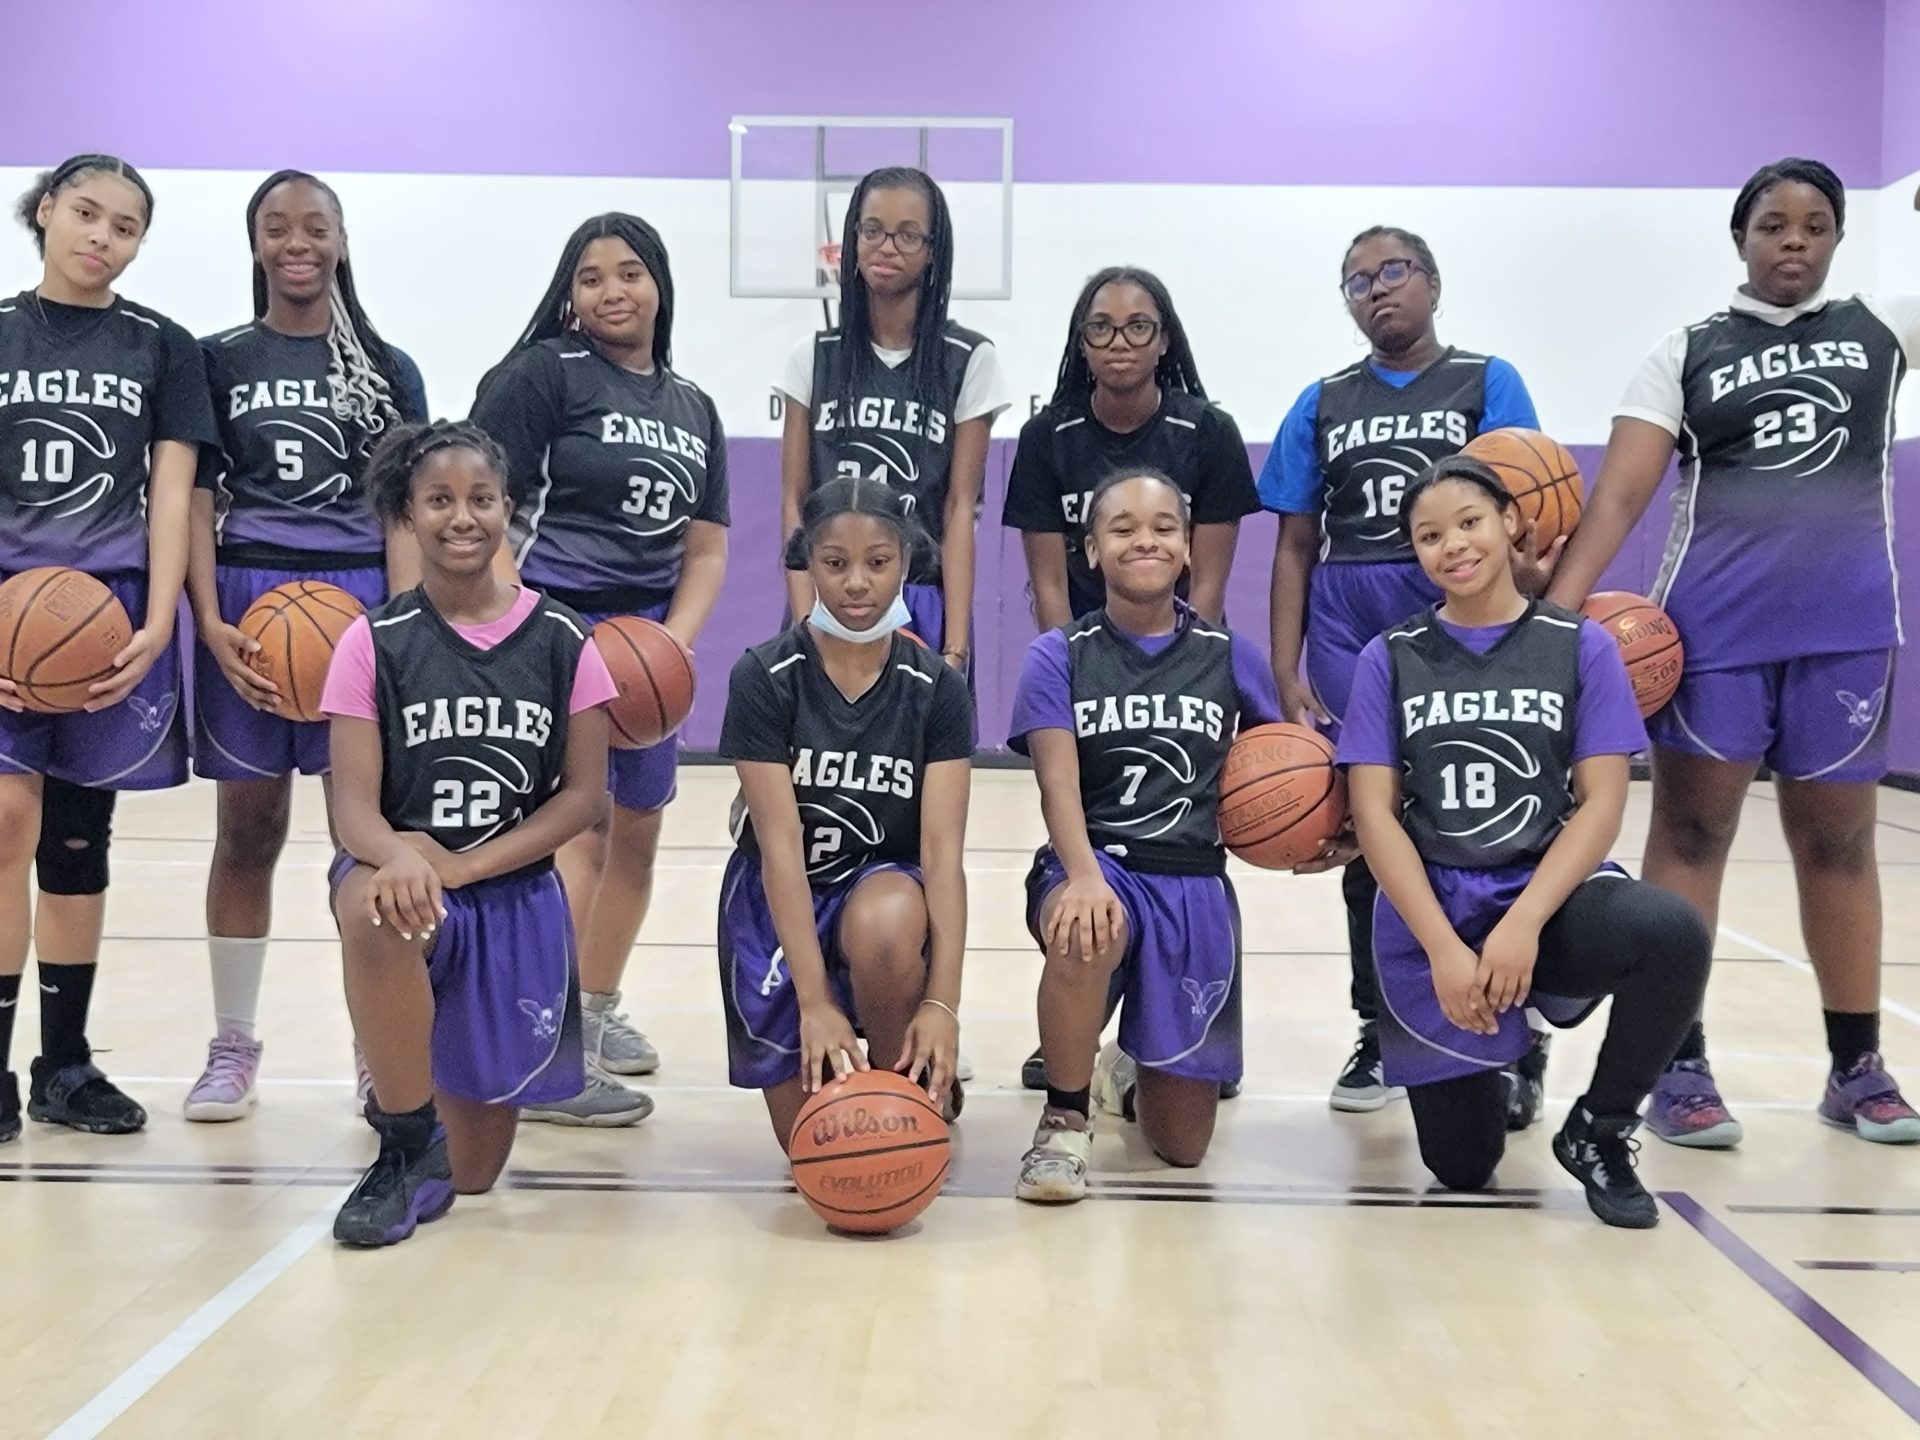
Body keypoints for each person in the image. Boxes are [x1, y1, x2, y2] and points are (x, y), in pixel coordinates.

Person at [1547, 158, 1920, 1147]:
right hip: (1713, 636)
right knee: (1692, 835)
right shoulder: (1687, 350)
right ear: (1741, 238)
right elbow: (1620, 495)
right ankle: (1677, 1062)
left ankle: (1856, 1066)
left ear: (1838, 238)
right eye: (1772, 224)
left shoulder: (1884, 331)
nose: (1793, 240)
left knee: (1840, 846)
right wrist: (1551, 621)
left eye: (1814, 224)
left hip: (1847, 631)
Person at [1341, 456, 1711, 1226]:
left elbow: (1602, 803)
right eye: (1430, 536)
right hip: (1439, 909)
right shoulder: (1391, 657)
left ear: (1511, 521)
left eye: (1469, 522)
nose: (1453, 545)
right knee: (1463, 1167)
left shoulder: (1579, 645)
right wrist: (1444, 950)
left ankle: (1600, 1128)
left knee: (1673, 933)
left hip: (1545, 898)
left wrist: (1523, 925)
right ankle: (1511, 1053)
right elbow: (1374, 816)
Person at [1259, 225, 1545, 1121]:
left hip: (1460, 612)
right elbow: (1294, 545)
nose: (1377, 289)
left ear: (1432, 282)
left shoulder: (1488, 382)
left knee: (1483, 818)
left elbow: (1527, 518)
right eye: (1357, 281)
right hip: (1350, 619)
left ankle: (1518, 1031)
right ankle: (1381, 1027)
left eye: (1393, 271)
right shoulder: (1321, 402)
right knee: (1369, 826)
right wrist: (1285, 666)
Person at [320, 420, 615, 1247]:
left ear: (509, 511)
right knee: (375, 908)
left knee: (475, 1173)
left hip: (508, 887)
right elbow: (352, 812)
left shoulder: (563, 640)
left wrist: (467, 865)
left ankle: (429, 1125)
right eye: (439, 500)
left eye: (481, 499)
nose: (461, 517)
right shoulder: (372, 642)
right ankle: (402, 1141)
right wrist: (402, 856)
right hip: (405, 877)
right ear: (407, 515)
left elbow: (584, 799)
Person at [472, 213, 727, 1126]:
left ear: (660, 283)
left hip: (646, 642)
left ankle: (592, 1008)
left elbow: (706, 548)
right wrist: (522, 625)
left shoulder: (694, 406)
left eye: (628, 272)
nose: (612, 290)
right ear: (570, 295)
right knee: (578, 833)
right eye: (590, 277)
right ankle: (548, 1055)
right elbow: (481, 506)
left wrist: (673, 644)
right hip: (557, 623)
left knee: (637, 835)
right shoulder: (544, 374)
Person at [186, 169, 427, 1122]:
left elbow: (405, 511)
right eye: (278, 227)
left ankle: (377, 1046)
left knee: (361, 839)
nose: (298, 242)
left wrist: (402, 629)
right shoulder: (216, 360)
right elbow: (195, 500)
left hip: (357, 608)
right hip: (249, 604)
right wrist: (208, 618)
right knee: (247, 832)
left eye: (316, 226)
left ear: (341, 240)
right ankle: (232, 1042)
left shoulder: (387, 367)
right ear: (255, 243)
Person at [0, 154, 218, 1142]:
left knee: (79, 838)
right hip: (10, 608)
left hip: (110, 619)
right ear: (46, 210)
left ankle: (65, 1064)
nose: (102, 236)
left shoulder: (162, 346)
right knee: (7, 823)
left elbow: (172, 490)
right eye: (86, 213)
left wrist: (162, 617)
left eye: (125, 226)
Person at [1004, 266, 1260, 1093]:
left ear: (1165, 337)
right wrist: (1078, 672)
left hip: (1177, 653)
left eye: (1138, 326)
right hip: (1091, 660)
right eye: (1102, 327)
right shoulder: (1049, 435)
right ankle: (1075, 1030)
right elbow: (1049, 584)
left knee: (1178, 837)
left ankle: (1162, 1034)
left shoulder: (1206, 431)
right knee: (1087, 845)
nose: (1120, 342)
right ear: (1080, 342)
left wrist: (1182, 670)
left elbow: (1208, 586)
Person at [1011, 468, 1280, 1204]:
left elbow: (1288, 761)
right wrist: (1082, 874)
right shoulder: (1059, 654)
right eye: (1122, 527)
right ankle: (1064, 1121)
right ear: (1092, 550)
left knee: (1182, 1148)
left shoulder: (1228, 655)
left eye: (1164, 527)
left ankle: (1125, 1072)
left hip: (1192, 881)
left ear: (1189, 547)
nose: (1144, 540)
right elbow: (1057, 783)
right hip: (1098, 861)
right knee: (1087, 929)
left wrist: (1320, 831)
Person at [716, 477, 971, 1149]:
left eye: (877, 562)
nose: (857, 583)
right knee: (819, 1146)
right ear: (809, 562)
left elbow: (942, 855)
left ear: (905, 563)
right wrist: (814, 1002)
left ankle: (903, 1079)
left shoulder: (937, 688)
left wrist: (943, 1005)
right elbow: (779, 847)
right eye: (835, 563)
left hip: (880, 893)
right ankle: (846, 1050)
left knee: (886, 920)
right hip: (779, 899)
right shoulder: (763, 677)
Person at [776, 166, 1010, 666]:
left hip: (919, 597)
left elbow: (959, 509)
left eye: (908, 235)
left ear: (933, 250)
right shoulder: (813, 357)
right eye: (873, 231)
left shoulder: (969, 359)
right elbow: (796, 502)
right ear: (853, 240)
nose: (887, 247)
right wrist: (803, 622)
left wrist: (955, 647)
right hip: (828, 593)